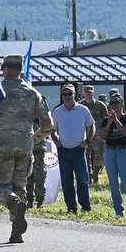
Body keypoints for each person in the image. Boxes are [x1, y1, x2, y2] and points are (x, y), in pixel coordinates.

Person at [0, 55, 52, 243]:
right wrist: (34, 139)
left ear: (7, 69)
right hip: (25, 146)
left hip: (2, 146)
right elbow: (48, 125)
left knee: (0, 188)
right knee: (20, 187)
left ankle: (12, 202)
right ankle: (16, 232)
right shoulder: (33, 93)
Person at [51, 83, 95, 214]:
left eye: (69, 94)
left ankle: (85, 207)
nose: (67, 96)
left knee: (82, 179)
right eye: (64, 94)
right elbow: (52, 130)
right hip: (63, 149)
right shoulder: (57, 112)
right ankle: (71, 207)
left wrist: (86, 141)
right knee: (67, 180)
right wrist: (57, 143)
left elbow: (92, 127)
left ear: (75, 94)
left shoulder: (83, 110)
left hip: (79, 149)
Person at [100, 94, 126, 218]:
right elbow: (103, 137)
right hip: (110, 152)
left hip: (123, 152)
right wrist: (109, 123)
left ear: (122, 104)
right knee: (114, 185)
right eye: (112, 103)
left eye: (117, 102)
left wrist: (116, 120)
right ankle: (119, 211)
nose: (114, 105)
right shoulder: (106, 120)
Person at [82, 85, 108, 184]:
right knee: (85, 156)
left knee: (100, 154)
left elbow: (105, 120)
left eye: (90, 92)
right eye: (86, 92)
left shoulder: (100, 105)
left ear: (93, 93)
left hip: (97, 134)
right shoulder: (80, 106)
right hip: (84, 134)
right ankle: (87, 177)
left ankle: (95, 173)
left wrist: (104, 132)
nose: (88, 94)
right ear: (84, 94)